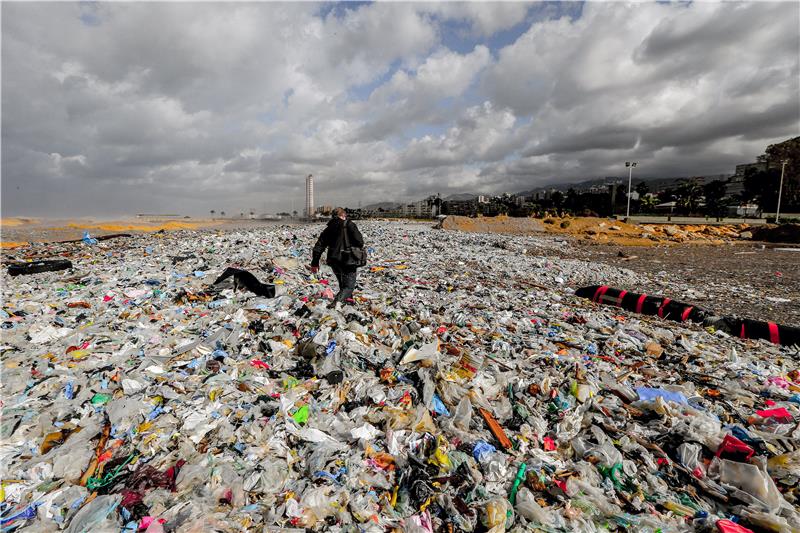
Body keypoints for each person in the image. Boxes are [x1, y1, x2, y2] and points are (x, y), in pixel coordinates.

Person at [310, 207, 364, 306]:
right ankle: (336, 303)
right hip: (347, 260)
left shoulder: (329, 228)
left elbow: (319, 246)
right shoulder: (349, 225)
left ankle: (348, 302)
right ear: (343, 215)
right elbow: (360, 242)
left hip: (333, 260)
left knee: (343, 284)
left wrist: (315, 263)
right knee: (348, 286)